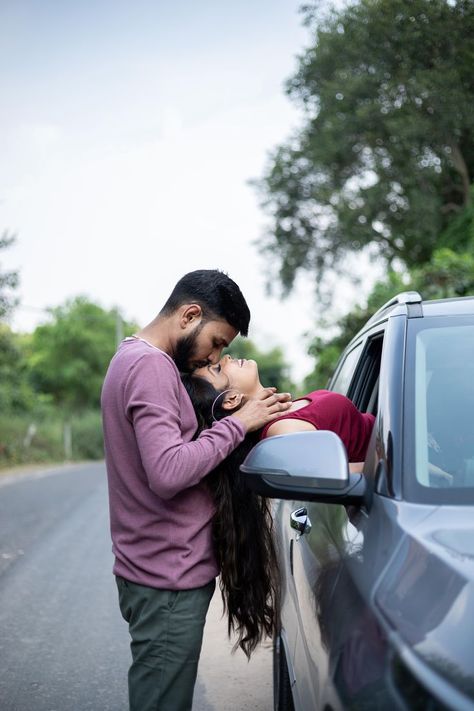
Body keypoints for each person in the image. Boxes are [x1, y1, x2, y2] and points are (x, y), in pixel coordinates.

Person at [100, 270, 292, 711]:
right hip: (166, 577)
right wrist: (239, 423)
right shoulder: (150, 366)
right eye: (219, 343)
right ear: (190, 315)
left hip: (153, 570)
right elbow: (167, 472)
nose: (218, 354)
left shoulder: (133, 358)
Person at [180, 354, 376, 658]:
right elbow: (355, 472)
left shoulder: (283, 410)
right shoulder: (280, 433)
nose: (228, 355)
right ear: (232, 400)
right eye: (220, 367)